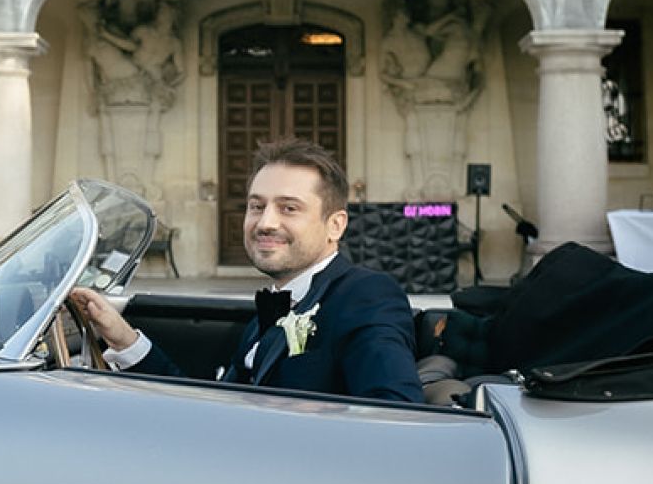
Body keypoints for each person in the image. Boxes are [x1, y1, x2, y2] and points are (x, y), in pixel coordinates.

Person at [70, 138, 429, 406]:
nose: (265, 222)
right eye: (256, 206)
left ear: (335, 225)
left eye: (289, 208)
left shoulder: (365, 296)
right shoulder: (271, 308)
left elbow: (398, 414)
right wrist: (123, 340)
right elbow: (216, 403)